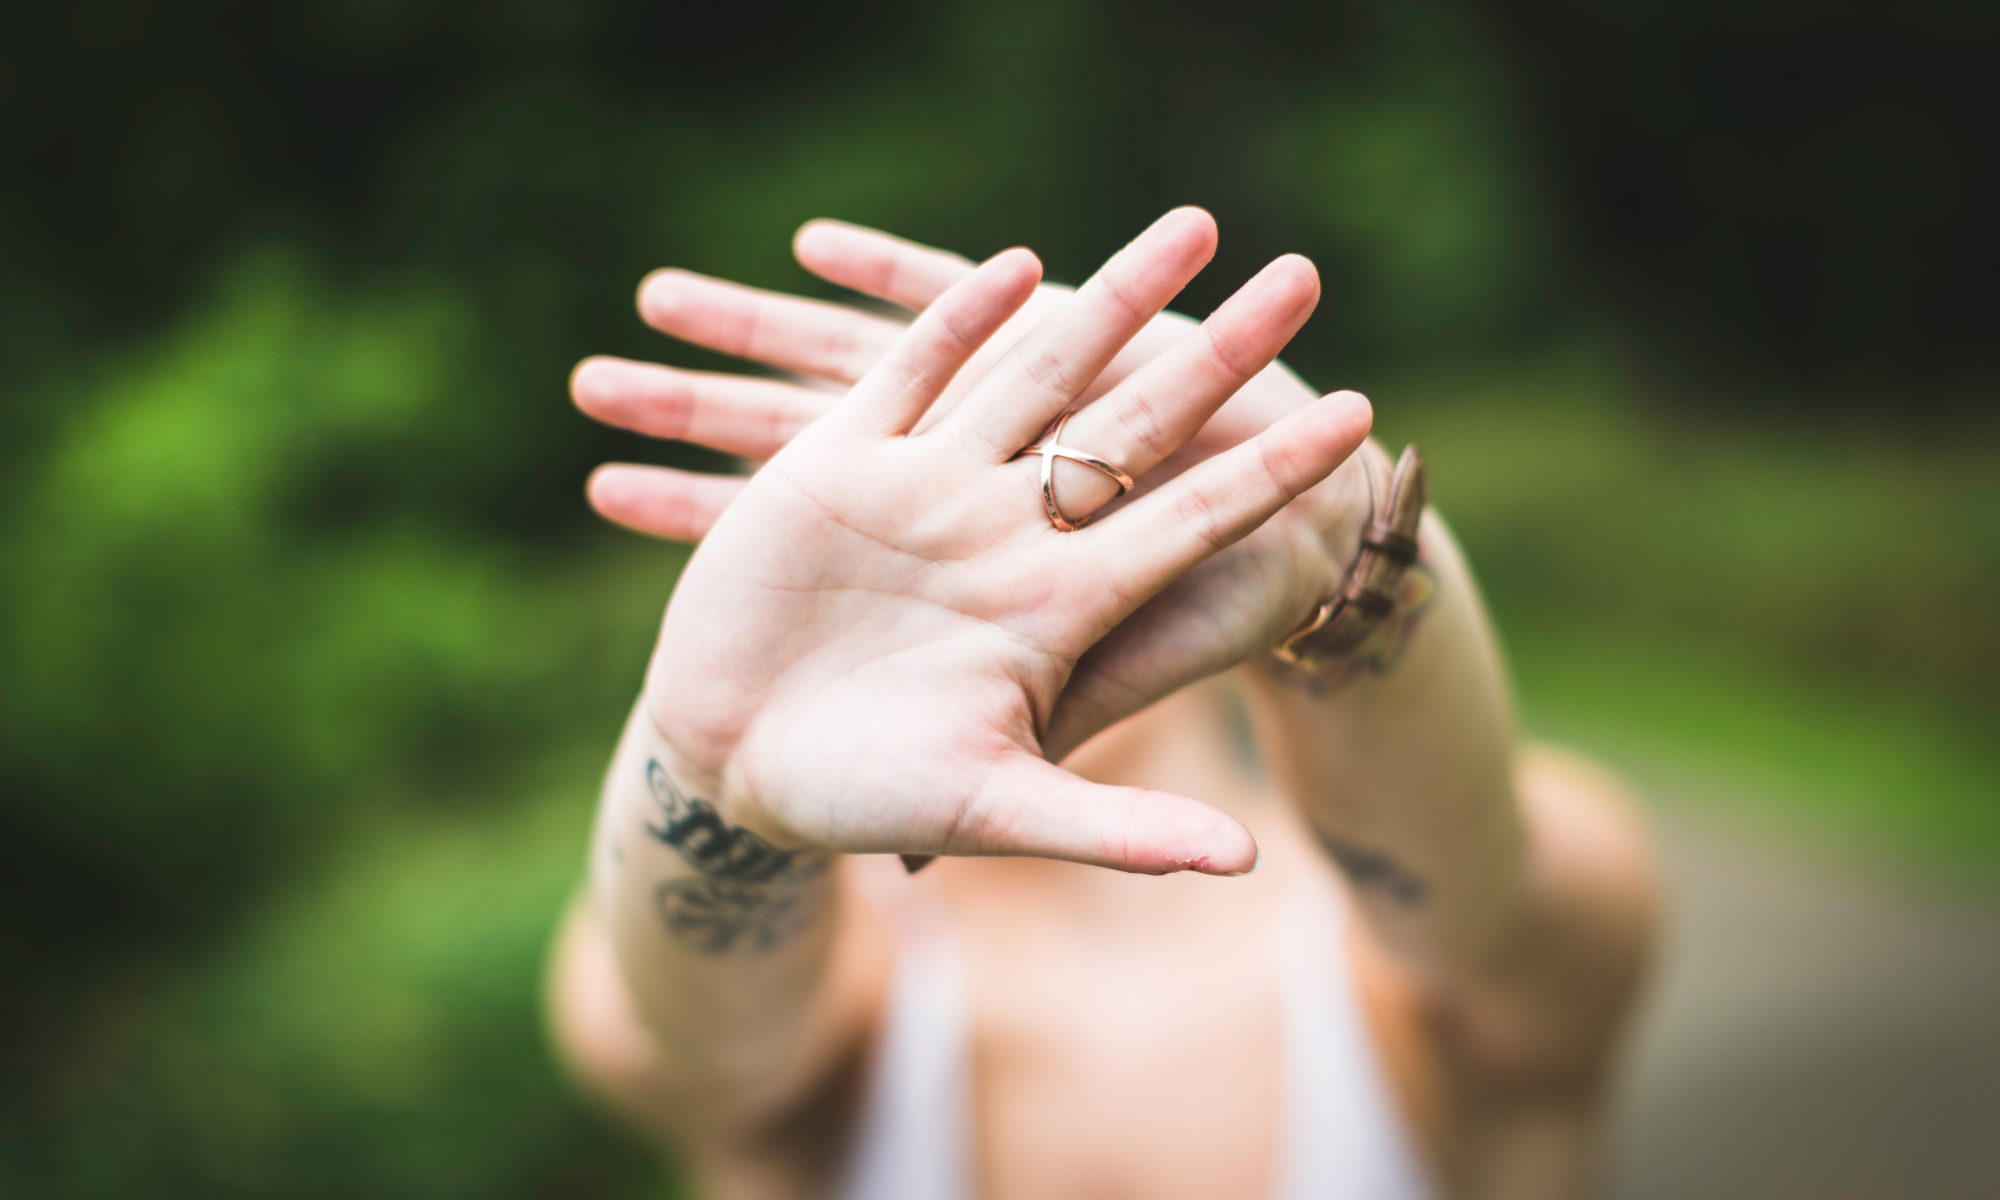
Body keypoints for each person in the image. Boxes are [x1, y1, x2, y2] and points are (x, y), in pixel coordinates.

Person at [547, 208, 1657, 1200]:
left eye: (1027, 479)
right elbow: (696, 1045)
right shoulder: (824, 1014)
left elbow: (1479, 903)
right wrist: (710, 767)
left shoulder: (1436, 954)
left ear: (1165, 481)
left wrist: (1340, 541)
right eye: (873, 538)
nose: (968, 594)